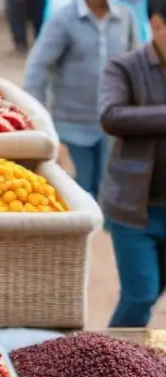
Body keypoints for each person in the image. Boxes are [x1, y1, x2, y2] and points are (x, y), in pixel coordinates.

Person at [23, 0, 137, 200]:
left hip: (113, 129)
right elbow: (37, 69)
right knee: (78, 195)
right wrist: (40, 125)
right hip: (72, 129)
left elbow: (137, 66)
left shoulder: (125, 18)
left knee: (111, 194)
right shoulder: (64, 19)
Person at [100, 0, 166, 326]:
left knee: (153, 292)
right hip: (133, 208)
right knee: (139, 294)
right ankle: (107, 361)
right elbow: (111, 116)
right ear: (156, 25)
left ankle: (122, 360)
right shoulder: (124, 66)